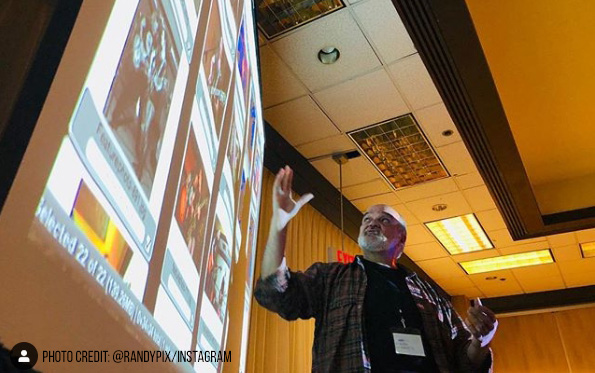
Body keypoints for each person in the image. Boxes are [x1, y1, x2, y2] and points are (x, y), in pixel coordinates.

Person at [254, 166, 498, 372]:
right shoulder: (331, 278)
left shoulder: (431, 296)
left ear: (401, 239)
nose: (371, 223)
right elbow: (276, 293)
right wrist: (279, 224)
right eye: (366, 219)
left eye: (384, 220)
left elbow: (467, 362)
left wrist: (482, 340)